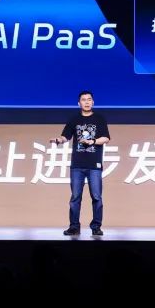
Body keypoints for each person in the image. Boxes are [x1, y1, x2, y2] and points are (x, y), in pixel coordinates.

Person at [51, 90, 110, 236]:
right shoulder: (74, 119)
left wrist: (92, 141)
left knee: (96, 197)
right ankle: (74, 227)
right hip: (77, 165)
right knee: (75, 198)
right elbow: (65, 137)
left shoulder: (99, 119)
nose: (87, 102)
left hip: (94, 165)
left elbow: (106, 138)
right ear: (79, 103)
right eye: (84, 100)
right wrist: (58, 140)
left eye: (89, 99)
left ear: (93, 102)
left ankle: (96, 227)